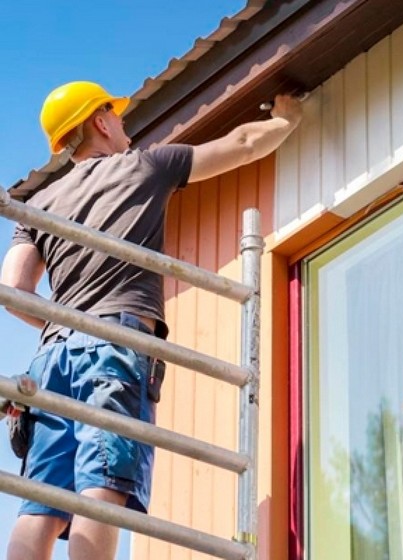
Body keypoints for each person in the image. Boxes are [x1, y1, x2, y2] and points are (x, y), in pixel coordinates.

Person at [1, 81, 302, 560]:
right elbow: (244, 144)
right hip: (113, 346)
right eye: (116, 117)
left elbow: (13, 290)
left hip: (50, 362)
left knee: (43, 503)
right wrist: (286, 118)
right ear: (100, 121)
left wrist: (61, 326)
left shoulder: (38, 205)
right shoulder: (145, 165)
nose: (125, 126)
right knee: (102, 487)